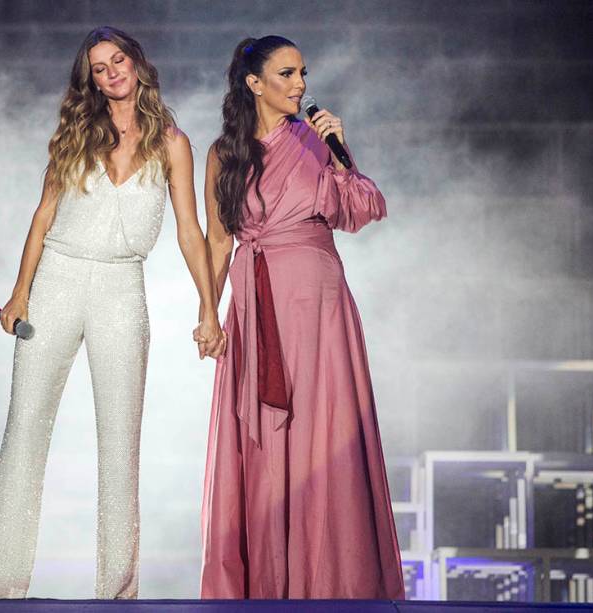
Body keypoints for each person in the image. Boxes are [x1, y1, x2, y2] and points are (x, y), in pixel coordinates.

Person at [0, 26, 224, 600]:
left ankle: (118, 593)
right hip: (58, 279)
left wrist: (209, 307)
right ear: (90, 79)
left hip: (121, 287)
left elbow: (190, 231)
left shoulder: (172, 143)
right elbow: (42, 218)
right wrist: (19, 295)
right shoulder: (76, 134)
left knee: (120, 443)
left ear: (137, 63)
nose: (111, 73)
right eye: (99, 67)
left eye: (118, 61)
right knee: (24, 433)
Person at [196, 35, 405, 599]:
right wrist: (208, 315)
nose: (301, 85)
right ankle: (267, 584)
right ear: (254, 83)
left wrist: (340, 150)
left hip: (317, 302)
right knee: (263, 442)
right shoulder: (223, 153)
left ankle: (331, 583)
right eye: (287, 74)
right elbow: (218, 241)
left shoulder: (316, 140)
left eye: (303, 73)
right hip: (256, 300)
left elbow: (363, 209)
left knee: (322, 431)